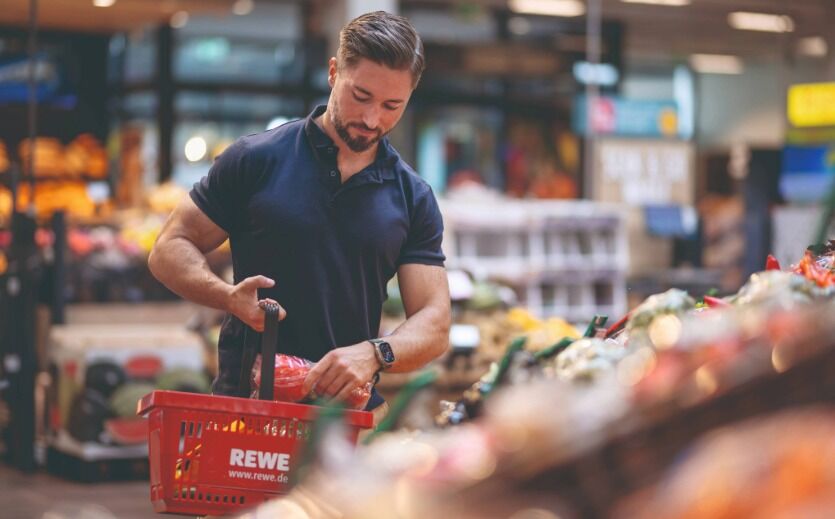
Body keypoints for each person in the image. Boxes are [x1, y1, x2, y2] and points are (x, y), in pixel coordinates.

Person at [148, 11, 451, 420]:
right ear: (332, 73)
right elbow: (169, 247)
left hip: (343, 419)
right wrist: (227, 298)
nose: (371, 119)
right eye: (360, 96)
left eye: (391, 105)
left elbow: (435, 321)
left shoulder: (412, 197)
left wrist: (376, 353)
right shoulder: (256, 159)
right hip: (246, 407)